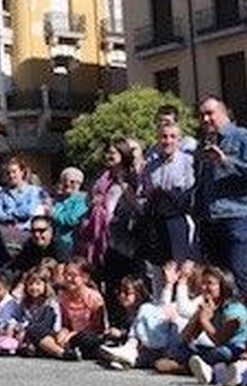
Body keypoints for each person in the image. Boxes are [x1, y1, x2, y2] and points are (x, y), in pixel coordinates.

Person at [194, 97, 247, 298]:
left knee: (237, 273)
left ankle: (242, 315)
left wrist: (225, 160)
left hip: (237, 216)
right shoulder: (204, 144)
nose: (205, 119)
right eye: (202, 115)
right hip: (210, 219)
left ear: (224, 112)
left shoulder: (243, 137)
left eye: (210, 113)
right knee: (215, 277)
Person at [83, 140, 142, 301]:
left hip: (124, 235)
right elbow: (89, 199)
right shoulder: (102, 178)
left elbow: (137, 205)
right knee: (108, 282)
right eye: (108, 152)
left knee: (124, 281)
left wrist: (123, 184)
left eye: (113, 153)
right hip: (101, 236)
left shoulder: (132, 177)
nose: (109, 156)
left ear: (123, 154)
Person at [138, 118, 196, 279]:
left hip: (178, 220)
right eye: (164, 137)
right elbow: (143, 194)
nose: (168, 141)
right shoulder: (149, 167)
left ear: (179, 140)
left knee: (180, 270)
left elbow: (190, 191)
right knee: (158, 272)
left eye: (172, 137)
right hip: (156, 223)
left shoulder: (188, 162)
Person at [0, 156, 47, 259]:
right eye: (8, 173)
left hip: (27, 234)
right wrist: (15, 216)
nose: (11, 175)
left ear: (22, 172)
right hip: (7, 237)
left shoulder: (34, 191)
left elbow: (28, 211)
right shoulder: (1, 193)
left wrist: (9, 214)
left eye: (14, 172)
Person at [48, 167, 89, 262]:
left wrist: (53, 214)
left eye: (72, 181)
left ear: (79, 183)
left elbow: (72, 219)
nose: (67, 184)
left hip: (73, 242)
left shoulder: (82, 199)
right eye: (64, 181)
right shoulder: (59, 199)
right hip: (57, 241)